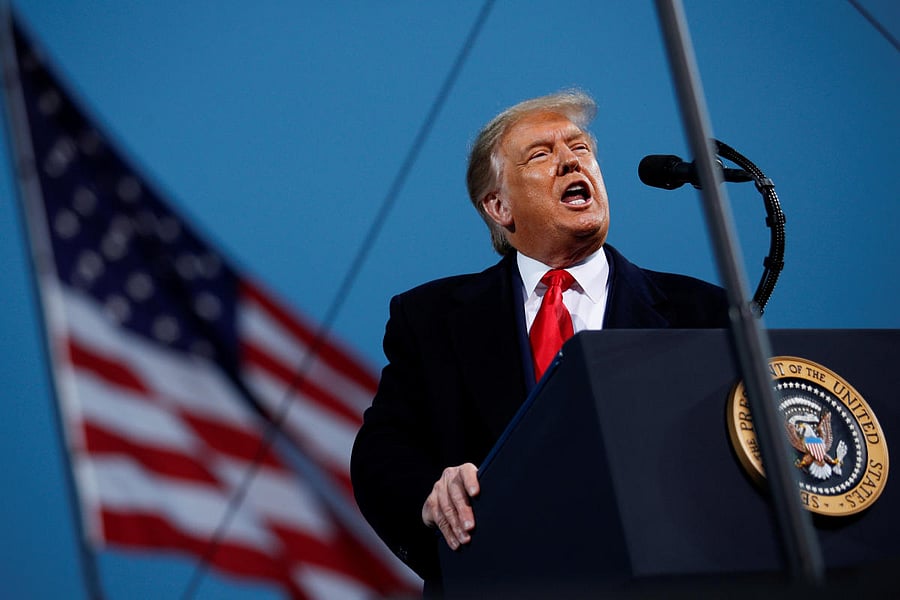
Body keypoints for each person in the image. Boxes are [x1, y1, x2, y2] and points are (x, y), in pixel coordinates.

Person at [350, 90, 728, 593]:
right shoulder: (431, 317)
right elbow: (382, 452)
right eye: (541, 154)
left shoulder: (701, 312)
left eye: (580, 148)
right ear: (499, 206)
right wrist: (432, 495)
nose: (570, 160)